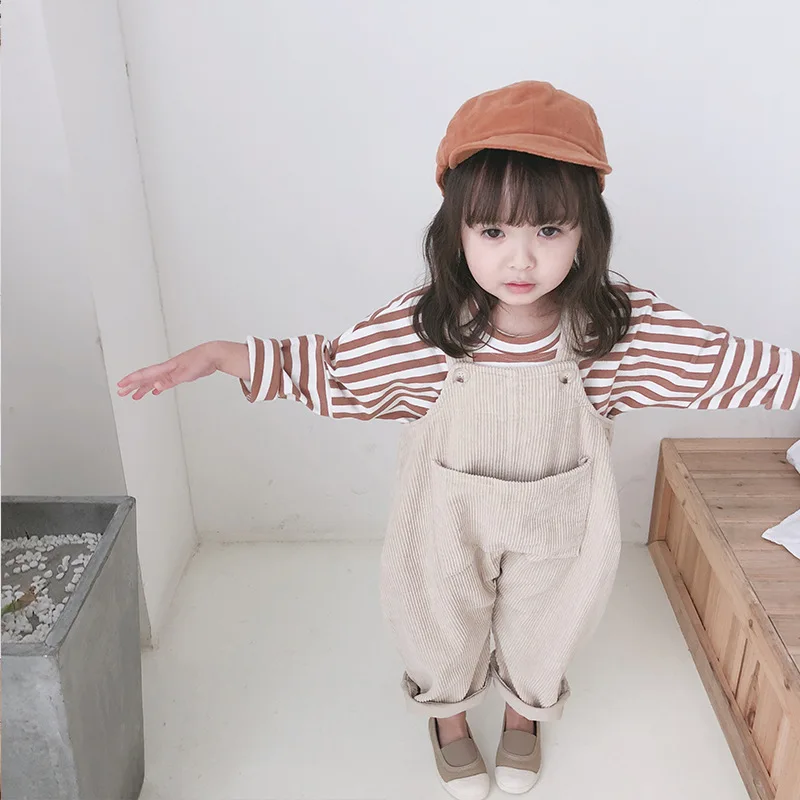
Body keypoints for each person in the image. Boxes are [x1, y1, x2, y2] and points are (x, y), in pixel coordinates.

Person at [118, 81, 800, 798]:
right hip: (444, 516)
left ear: (586, 232)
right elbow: (336, 371)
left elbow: (720, 363)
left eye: (549, 230)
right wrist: (226, 356)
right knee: (436, 620)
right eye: (493, 232)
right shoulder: (429, 326)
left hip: (562, 519)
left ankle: (523, 713)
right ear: (457, 232)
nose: (521, 260)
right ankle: (447, 718)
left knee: (549, 625)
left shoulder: (612, 328)